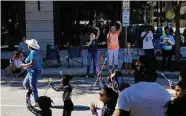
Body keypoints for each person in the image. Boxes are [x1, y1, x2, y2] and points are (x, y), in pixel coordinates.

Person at [22, 39, 42, 107]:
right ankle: (32, 95)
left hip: (34, 72)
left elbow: (32, 63)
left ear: (30, 46)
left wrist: (23, 65)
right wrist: (26, 66)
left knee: (33, 86)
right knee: (25, 84)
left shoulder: (33, 52)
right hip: (31, 71)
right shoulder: (32, 52)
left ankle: (37, 101)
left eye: (28, 44)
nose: (27, 45)